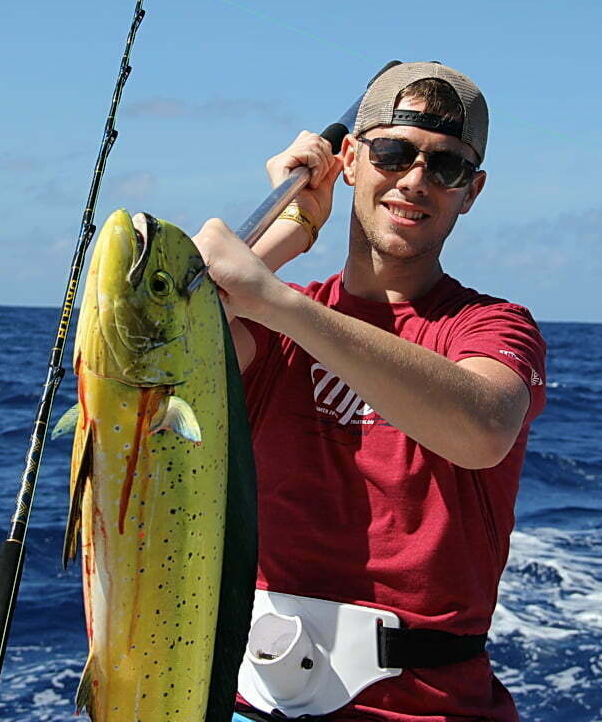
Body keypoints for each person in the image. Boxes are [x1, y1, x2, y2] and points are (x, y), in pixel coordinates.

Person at [192, 62, 547, 722]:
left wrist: (276, 301)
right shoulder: (271, 322)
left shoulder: (490, 327)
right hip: (247, 698)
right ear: (351, 160)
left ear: (471, 191)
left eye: (447, 166)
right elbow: (144, 351)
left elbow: (484, 428)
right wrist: (291, 229)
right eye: (393, 153)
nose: (415, 179)